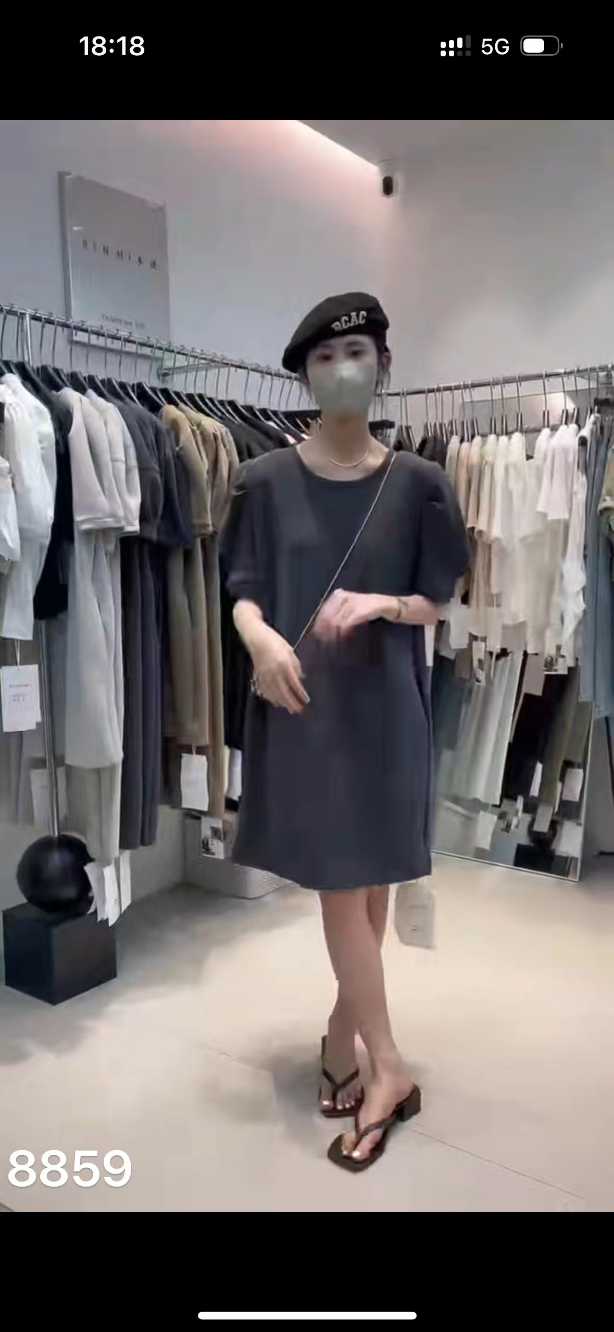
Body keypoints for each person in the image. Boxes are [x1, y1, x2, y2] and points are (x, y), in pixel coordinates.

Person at [221, 293, 469, 1171]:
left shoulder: (421, 484)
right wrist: (258, 638)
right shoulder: (260, 480)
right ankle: (386, 1066)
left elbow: (439, 597)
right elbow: (242, 590)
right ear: (304, 376)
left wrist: (383, 604)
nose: (340, 371)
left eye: (356, 353)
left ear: (383, 364)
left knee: (369, 889)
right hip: (303, 710)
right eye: (322, 360)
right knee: (339, 886)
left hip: (387, 707)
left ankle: (342, 1039)